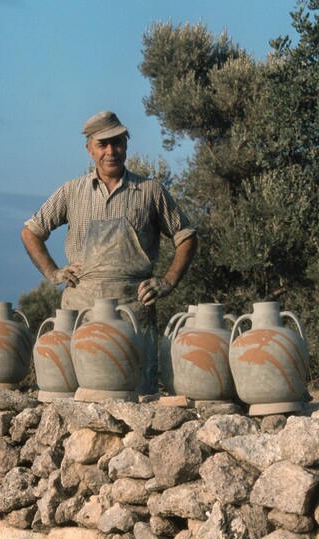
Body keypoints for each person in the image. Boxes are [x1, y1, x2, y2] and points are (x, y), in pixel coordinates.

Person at [21, 110, 197, 395]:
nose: (111, 151)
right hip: (81, 313)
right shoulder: (71, 192)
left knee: (139, 398)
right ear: (89, 149)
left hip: (133, 313)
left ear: (126, 145)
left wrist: (168, 281)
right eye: (102, 144)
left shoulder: (150, 191)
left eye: (117, 142)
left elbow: (186, 236)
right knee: (78, 396)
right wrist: (53, 272)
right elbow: (31, 232)